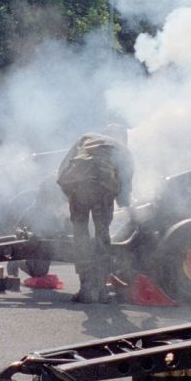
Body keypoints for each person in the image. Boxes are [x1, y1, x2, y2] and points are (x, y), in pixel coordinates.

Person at [55, 124, 135, 303]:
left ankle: (85, 289)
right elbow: (124, 192)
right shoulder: (123, 150)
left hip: (77, 186)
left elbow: (64, 167)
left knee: (81, 236)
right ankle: (101, 290)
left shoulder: (87, 137)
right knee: (102, 237)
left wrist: (68, 194)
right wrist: (131, 210)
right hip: (103, 187)